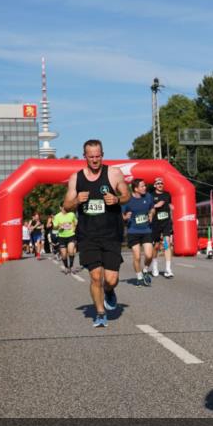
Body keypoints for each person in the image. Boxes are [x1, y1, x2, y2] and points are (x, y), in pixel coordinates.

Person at [63, 139, 131, 327]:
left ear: (102, 155)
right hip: (88, 235)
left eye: (98, 156)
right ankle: (100, 313)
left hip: (111, 233)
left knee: (111, 279)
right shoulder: (76, 178)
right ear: (84, 156)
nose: (94, 160)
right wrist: (76, 200)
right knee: (95, 276)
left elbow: (127, 195)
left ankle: (109, 291)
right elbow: (66, 206)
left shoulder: (114, 173)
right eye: (91, 157)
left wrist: (117, 199)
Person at [122, 178, 155, 286]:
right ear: (136, 189)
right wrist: (125, 217)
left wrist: (151, 214)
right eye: (142, 186)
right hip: (133, 231)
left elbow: (152, 208)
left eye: (145, 185)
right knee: (137, 256)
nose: (145, 187)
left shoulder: (148, 196)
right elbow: (121, 215)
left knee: (149, 255)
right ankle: (139, 277)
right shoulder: (127, 199)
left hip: (146, 230)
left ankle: (145, 270)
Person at [148, 176, 174, 278]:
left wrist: (172, 216)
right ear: (155, 185)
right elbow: (148, 208)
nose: (160, 185)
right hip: (156, 223)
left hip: (166, 223)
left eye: (161, 183)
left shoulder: (167, 194)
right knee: (156, 246)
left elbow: (170, 206)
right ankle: (155, 266)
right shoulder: (151, 196)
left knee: (167, 243)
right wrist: (155, 206)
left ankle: (168, 269)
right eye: (158, 184)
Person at [53, 204, 79, 275]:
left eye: (66, 207)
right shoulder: (57, 216)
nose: (65, 208)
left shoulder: (71, 214)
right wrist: (59, 226)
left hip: (71, 235)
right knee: (64, 254)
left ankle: (71, 266)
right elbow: (54, 227)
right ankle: (66, 267)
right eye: (63, 207)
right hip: (61, 237)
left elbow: (76, 222)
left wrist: (74, 229)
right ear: (60, 207)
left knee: (71, 251)